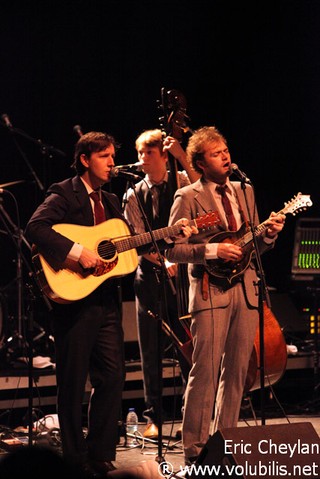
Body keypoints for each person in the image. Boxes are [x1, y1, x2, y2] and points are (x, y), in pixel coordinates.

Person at [25, 131, 196, 477]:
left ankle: (101, 454)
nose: (112, 163)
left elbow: (129, 245)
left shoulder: (114, 202)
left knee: (113, 377)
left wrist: (167, 236)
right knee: (72, 383)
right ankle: (74, 460)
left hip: (106, 303)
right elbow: (36, 227)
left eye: (113, 157)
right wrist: (78, 251)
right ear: (85, 159)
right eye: (104, 157)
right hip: (73, 302)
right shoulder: (64, 192)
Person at [165, 126, 286, 464]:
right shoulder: (187, 196)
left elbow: (253, 245)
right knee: (204, 372)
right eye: (216, 153)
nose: (225, 156)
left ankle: (225, 446)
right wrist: (213, 250)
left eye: (226, 150)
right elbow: (173, 251)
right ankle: (195, 452)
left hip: (246, 290)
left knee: (236, 374)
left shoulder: (244, 191)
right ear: (200, 164)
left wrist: (270, 235)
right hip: (210, 292)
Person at [123, 129, 200, 439]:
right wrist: (160, 259)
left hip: (181, 275)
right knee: (150, 350)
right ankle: (152, 416)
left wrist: (184, 156)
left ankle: (190, 416)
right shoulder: (133, 193)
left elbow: (201, 190)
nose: (142, 159)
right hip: (149, 275)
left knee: (186, 346)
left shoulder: (181, 181)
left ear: (164, 156)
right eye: (140, 153)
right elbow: (137, 238)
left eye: (149, 153)